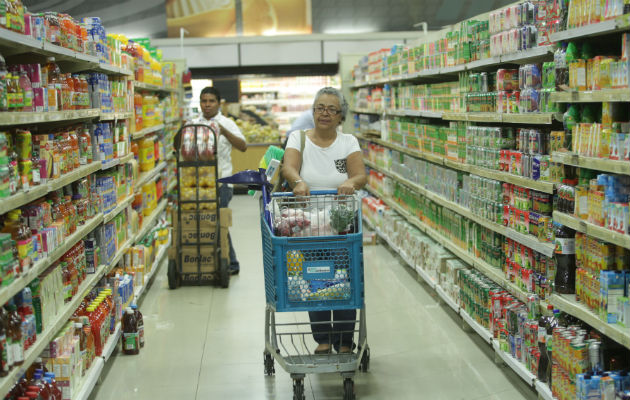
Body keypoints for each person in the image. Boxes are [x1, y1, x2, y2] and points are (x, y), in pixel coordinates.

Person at [281, 87, 367, 354]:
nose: (325, 113)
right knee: (314, 278)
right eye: (320, 108)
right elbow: (289, 167)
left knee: (343, 279)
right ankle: (323, 338)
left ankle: (343, 340)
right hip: (308, 226)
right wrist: (298, 181)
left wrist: (350, 182)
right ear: (313, 111)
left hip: (341, 224)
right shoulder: (299, 138)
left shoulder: (348, 142)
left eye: (332, 109)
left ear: (341, 115)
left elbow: (360, 175)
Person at [193, 86, 247, 275]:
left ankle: (231, 263)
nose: (207, 105)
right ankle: (209, 261)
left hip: (222, 183)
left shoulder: (227, 123)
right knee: (203, 222)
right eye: (204, 101)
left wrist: (223, 131)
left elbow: (243, 146)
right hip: (196, 183)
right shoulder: (193, 124)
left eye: (211, 101)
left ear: (218, 103)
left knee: (218, 220)